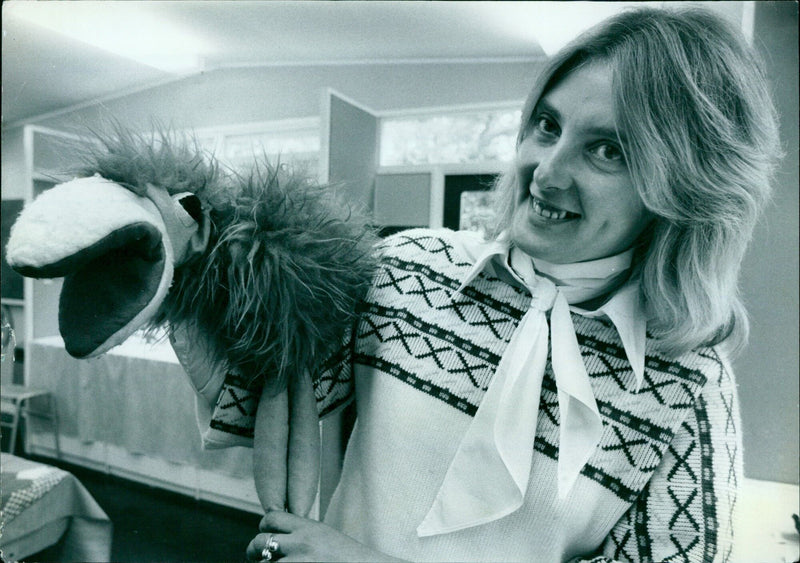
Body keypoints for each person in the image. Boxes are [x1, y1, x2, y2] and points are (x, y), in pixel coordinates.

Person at [245, 6, 780, 562]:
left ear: (685, 186)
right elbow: (262, 393)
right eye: (548, 126)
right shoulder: (405, 270)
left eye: (609, 150)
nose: (546, 171)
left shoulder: (687, 388)